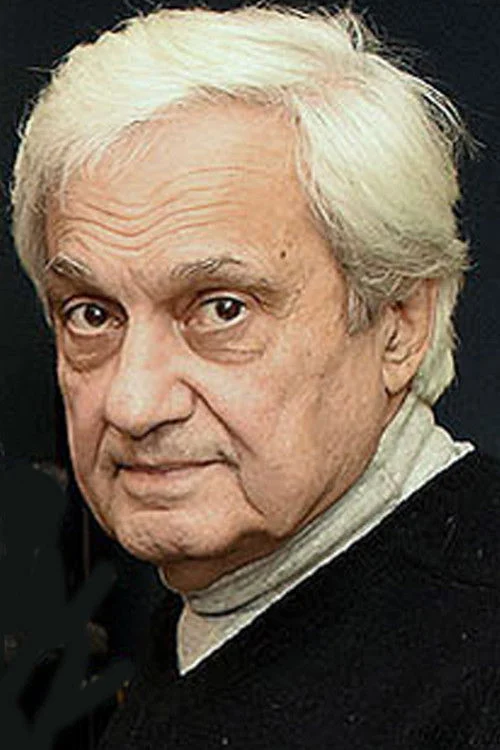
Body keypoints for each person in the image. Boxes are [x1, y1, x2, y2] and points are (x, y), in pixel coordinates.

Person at [10, 5, 500, 748]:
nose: (134, 403)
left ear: (399, 323)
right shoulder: (220, 603)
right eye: (92, 315)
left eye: (222, 309)